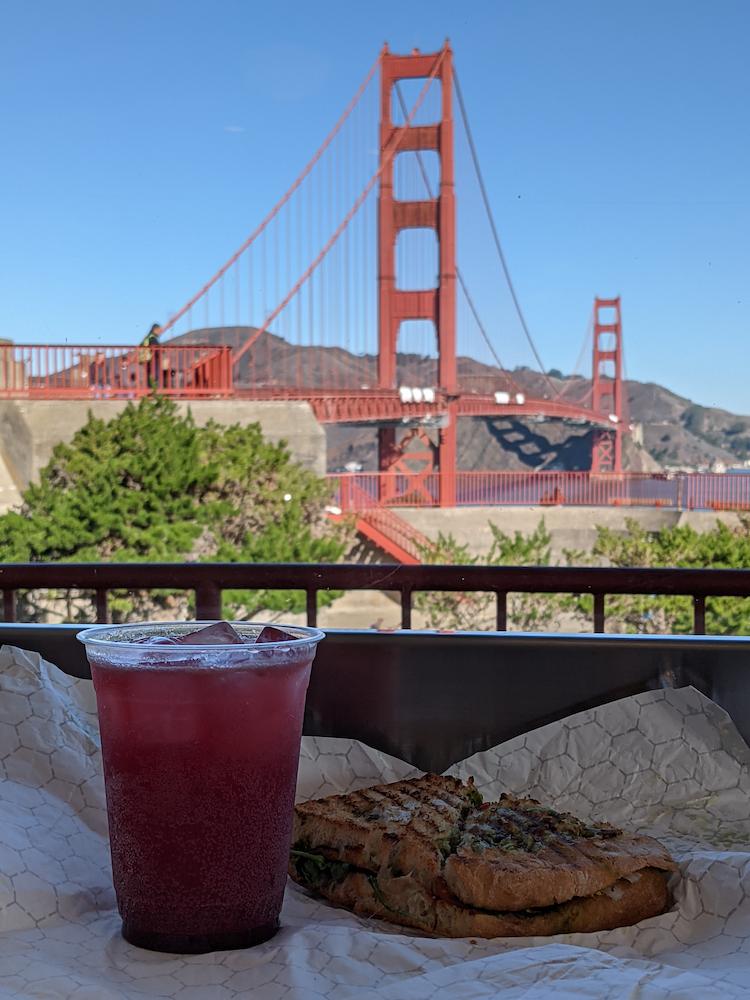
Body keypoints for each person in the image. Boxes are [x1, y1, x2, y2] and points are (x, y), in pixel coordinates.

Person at [140, 323, 162, 390]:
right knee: (154, 378)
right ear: (155, 329)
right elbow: (155, 349)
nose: (160, 332)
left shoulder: (147, 337)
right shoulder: (152, 338)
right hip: (152, 361)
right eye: (159, 330)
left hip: (147, 361)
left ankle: (150, 392)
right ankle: (153, 393)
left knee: (149, 378)